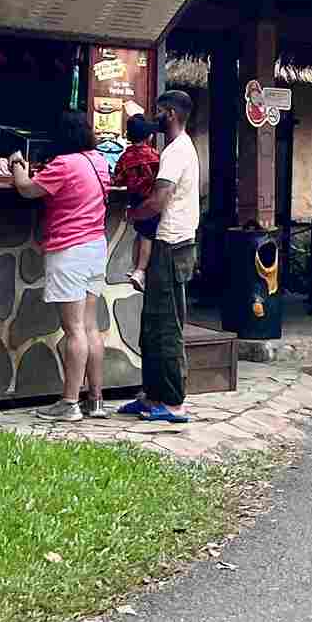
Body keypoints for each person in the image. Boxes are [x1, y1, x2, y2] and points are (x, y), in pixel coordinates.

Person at [9, 108, 113, 421]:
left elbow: (27, 189)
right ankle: (95, 400)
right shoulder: (98, 161)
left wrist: (16, 164)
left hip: (69, 251)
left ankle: (69, 403)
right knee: (91, 327)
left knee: (74, 330)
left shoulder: (64, 164)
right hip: (96, 246)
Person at [118, 88, 200, 425]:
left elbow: (159, 198)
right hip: (169, 244)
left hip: (170, 245)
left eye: (157, 111)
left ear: (169, 113)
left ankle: (173, 402)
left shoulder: (176, 152)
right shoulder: (175, 148)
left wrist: (133, 215)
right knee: (152, 325)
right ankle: (152, 396)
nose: (153, 117)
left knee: (166, 326)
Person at [116, 113, 164, 291]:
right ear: (149, 136)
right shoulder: (154, 156)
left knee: (139, 233)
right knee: (147, 236)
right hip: (150, 201)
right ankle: (140, 270)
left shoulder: (125, 157)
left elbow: (118, 179)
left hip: (134, 200)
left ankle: (135, 267)